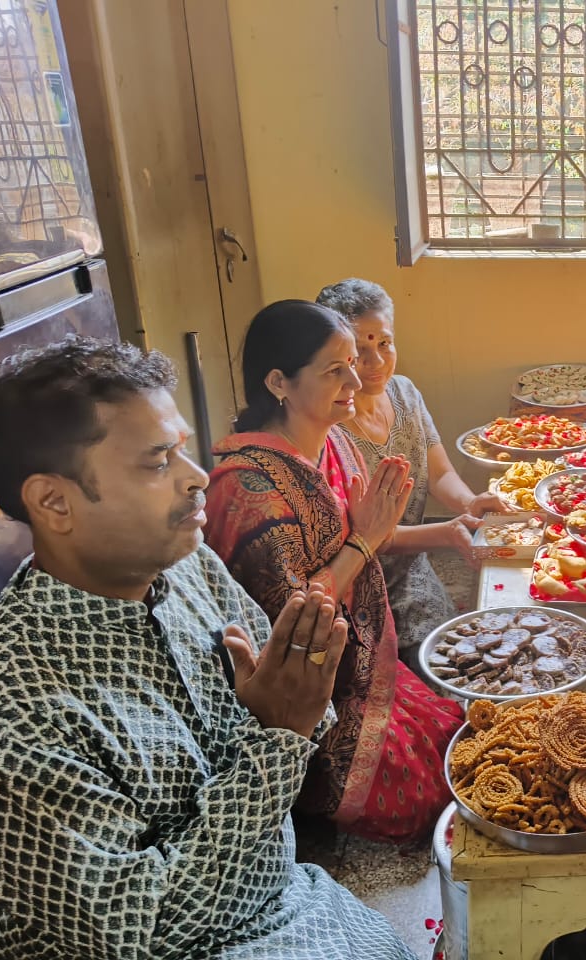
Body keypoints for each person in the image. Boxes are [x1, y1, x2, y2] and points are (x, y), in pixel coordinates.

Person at [0, 335, 413, 959]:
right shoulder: (12, 710)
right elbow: (147, 931)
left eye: (181, 450)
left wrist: (284, 721)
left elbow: (302, 706)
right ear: (53, 501)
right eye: (156, 463)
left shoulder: (187, 564)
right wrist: (275, 738)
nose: (198, 477)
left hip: (281, 896)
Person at [203, 300, 462, 841]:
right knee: (426, 801)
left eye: (355, 361)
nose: (357, 377)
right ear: (279, 381)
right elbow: (295, 622)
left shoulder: (335, 441)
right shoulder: (248, 489)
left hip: (361, 661)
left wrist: (455, 528)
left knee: (458, 739)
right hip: (303, 697)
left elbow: (374, 534)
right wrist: (365, 540)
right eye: (334, 369)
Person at [317, 278, 510, 653]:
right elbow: (364, 537)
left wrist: (469, 504)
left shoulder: (403, 391)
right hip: (362, 584)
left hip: (413, 569)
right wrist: (446, 532)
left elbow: (438, 473)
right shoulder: (330, 427)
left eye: (384, 343)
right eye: (359, 351)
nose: (376, 362)